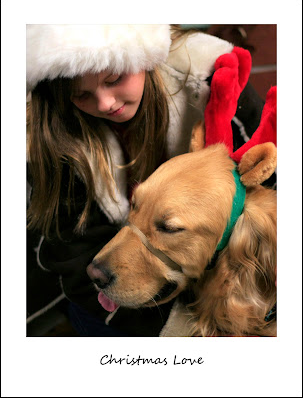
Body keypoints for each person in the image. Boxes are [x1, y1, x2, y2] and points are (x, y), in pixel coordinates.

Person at [26, 24, 271, 337]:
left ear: (144, 56)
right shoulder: (43, 138)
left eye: (114, 80)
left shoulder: (208, 75)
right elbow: (70, 254)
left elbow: (273, 182)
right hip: (103, 295)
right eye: (81, 96)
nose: (104, 104)